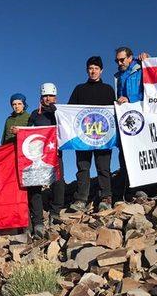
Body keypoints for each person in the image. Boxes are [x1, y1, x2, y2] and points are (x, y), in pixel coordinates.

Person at [68, 56, 116, 212]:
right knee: (83, 167)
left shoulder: (108, 89)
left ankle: (106, 197)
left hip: (103, 137)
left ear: (101, 70)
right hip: (83, 137)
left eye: (96, 68)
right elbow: (69, 111)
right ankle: (81, 199)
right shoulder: (79, 89)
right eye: (90, 68)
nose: (93, 71)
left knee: (103, 167)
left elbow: (114, 112)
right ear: (87, 71)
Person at [26, 82, 65, 238]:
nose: (48, 99)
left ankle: (55, 213)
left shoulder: (60, 112)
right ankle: (38, 221)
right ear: (41, 97)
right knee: (34, 185)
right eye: (45, 96)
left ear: (55, 97)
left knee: (59, 181)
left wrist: (56, 112)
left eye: (51, 96)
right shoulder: (35, 114)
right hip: (37, 155)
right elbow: (28, 131)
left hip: (55, 152)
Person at [113, 47, 143, 202]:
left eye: (122, 59)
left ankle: (141, 189)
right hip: (125, 121)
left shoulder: (141, 68)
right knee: (125, 155)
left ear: (130, 58)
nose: (119, 62)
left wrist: (130, 99)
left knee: (141, 152)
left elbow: (151, 89)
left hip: (141, 116)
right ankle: (128, 190)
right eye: (117, 60)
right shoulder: (118, 76)